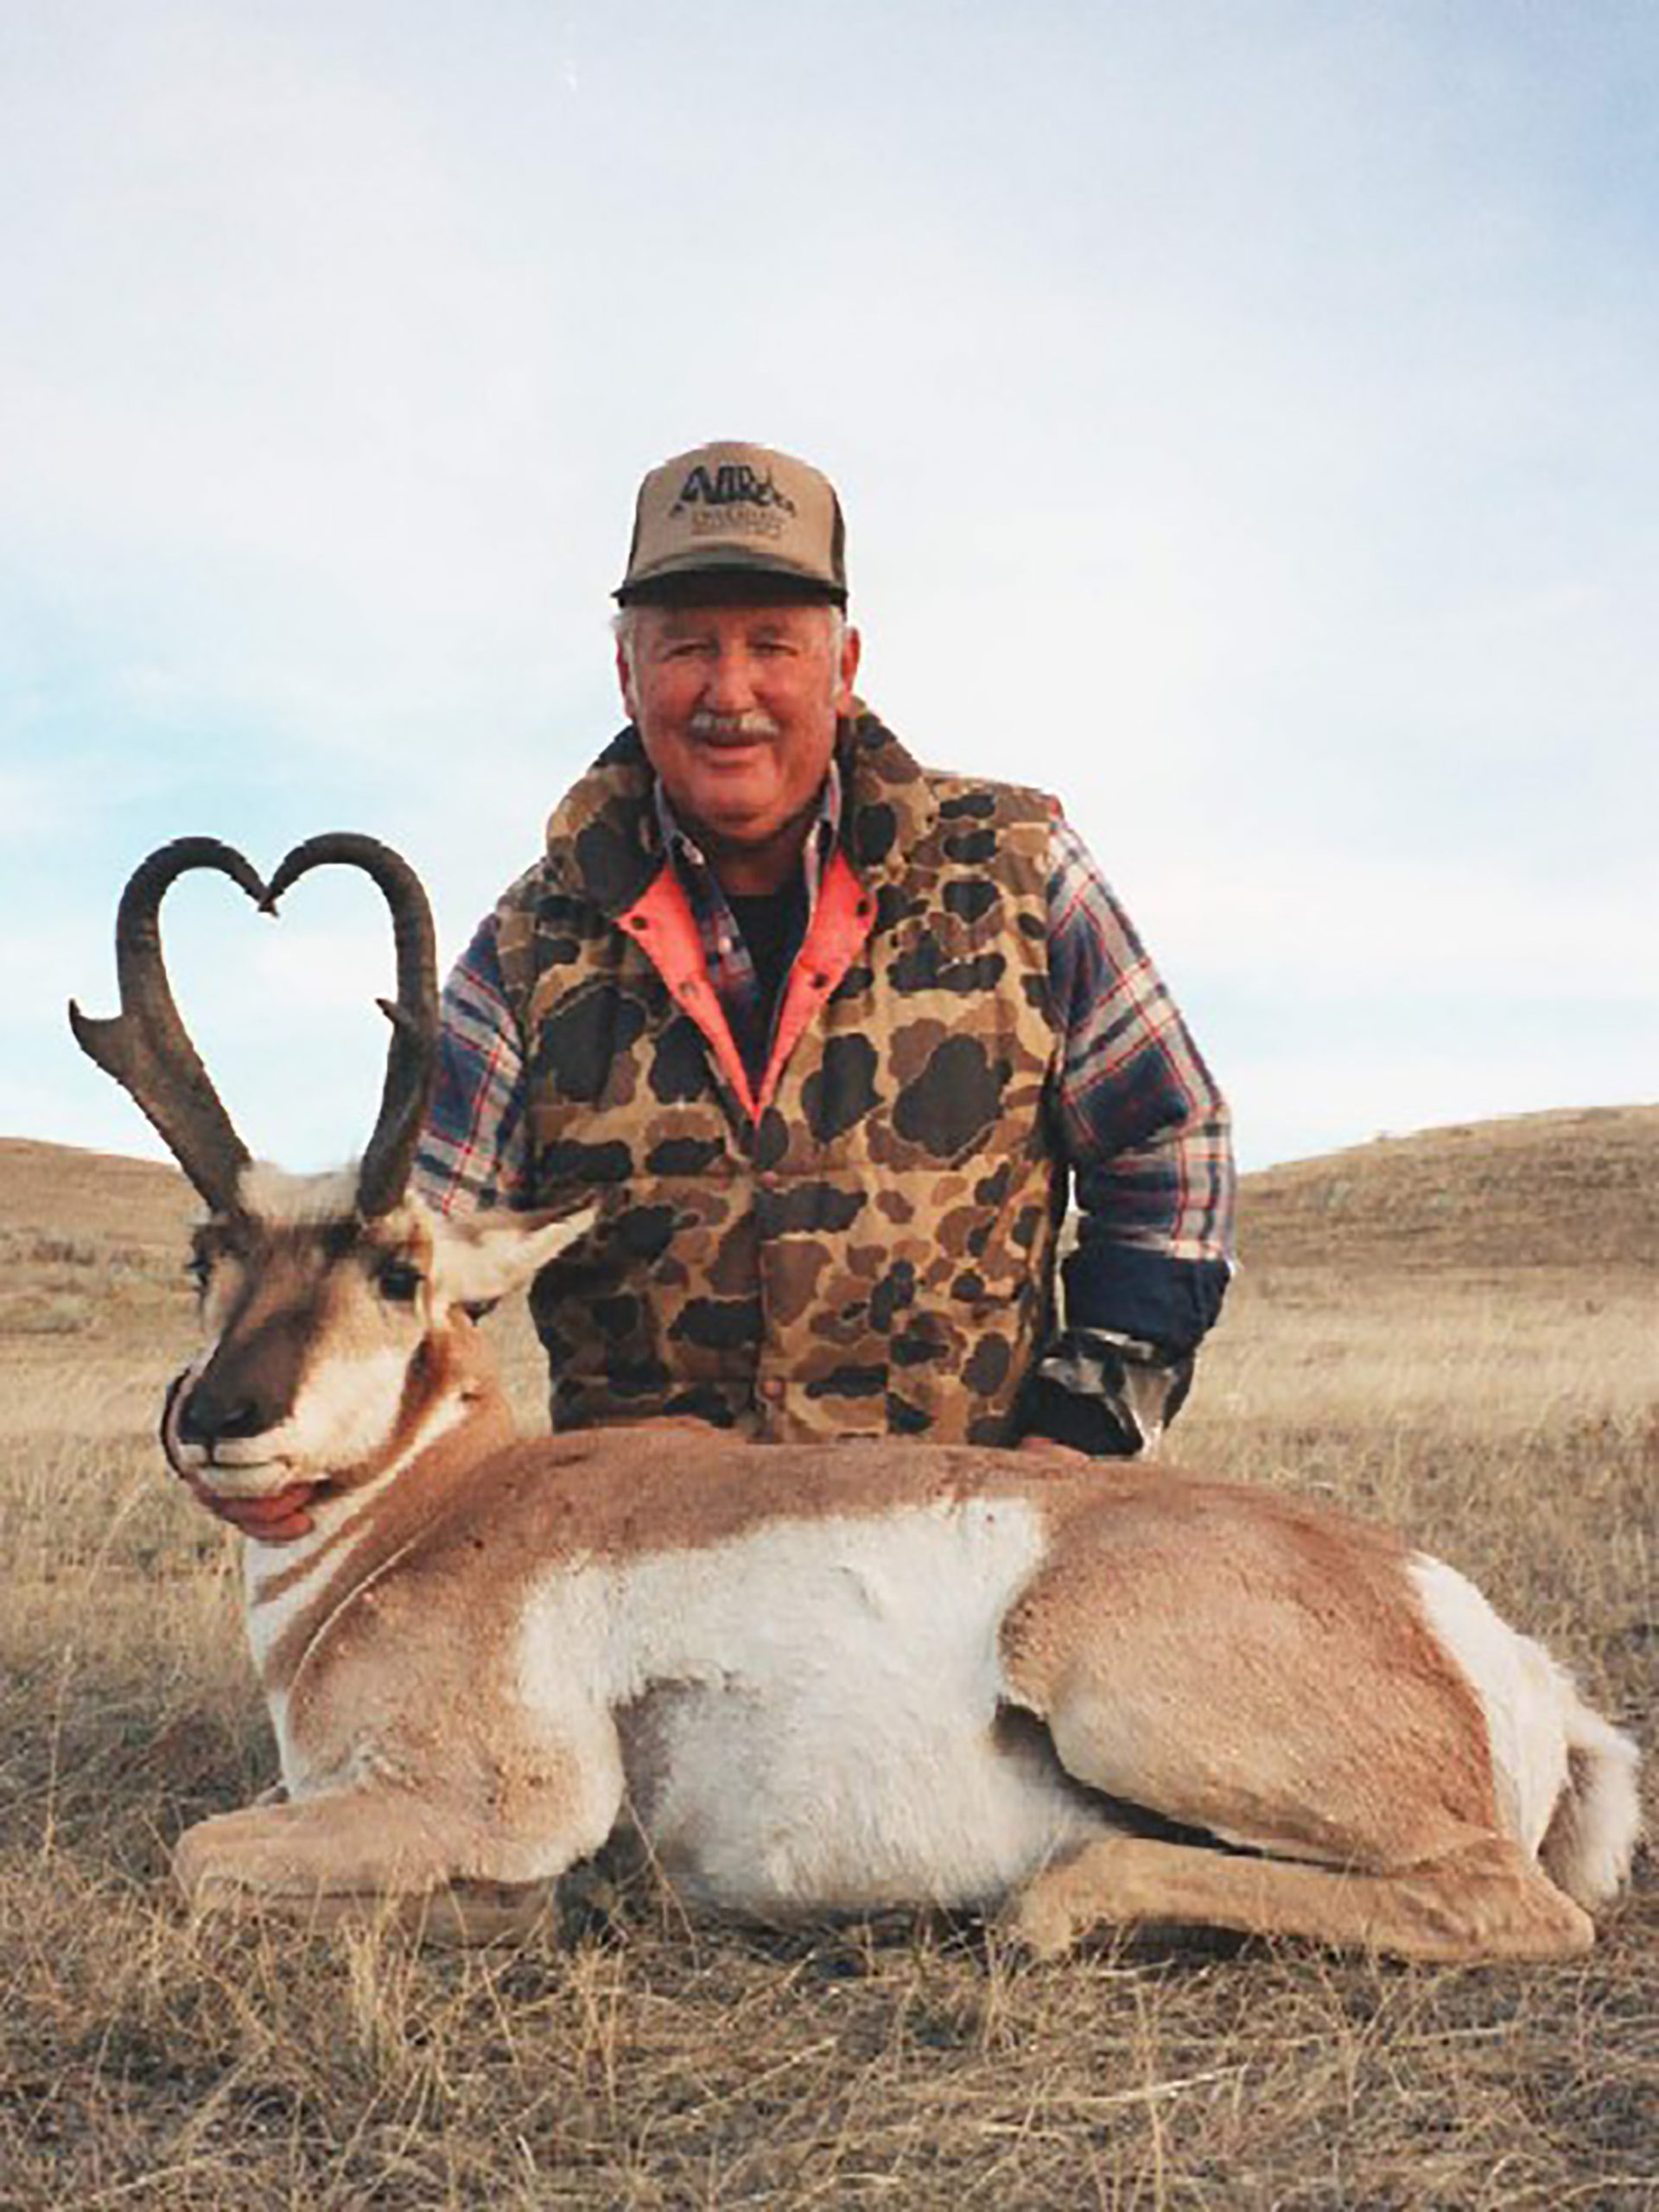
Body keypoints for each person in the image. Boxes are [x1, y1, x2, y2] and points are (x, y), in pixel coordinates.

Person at [415, 440, 1234, 1456]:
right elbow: (418, 1254)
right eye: (685, 647)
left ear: (842, 668)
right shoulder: (528, 949)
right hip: (644, 1571)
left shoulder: (1019, 872)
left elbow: (1169, 1143)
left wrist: (1085, 1430)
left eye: (773, 643)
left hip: (959, 1546)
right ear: (627, 675)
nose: (731, 690)